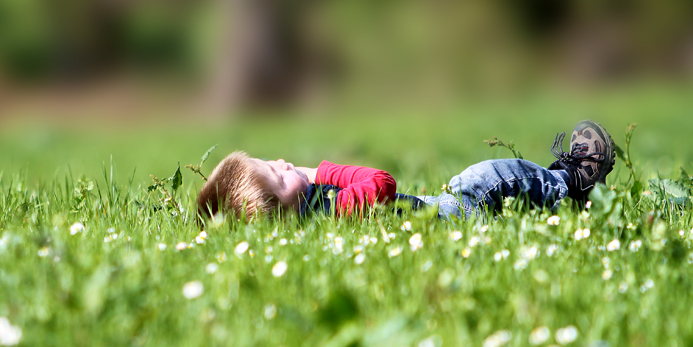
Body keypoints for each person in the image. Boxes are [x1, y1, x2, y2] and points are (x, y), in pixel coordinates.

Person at [196, 120, 616, 222]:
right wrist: (320, 169)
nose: (284, 163)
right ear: (279, 211)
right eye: (280, 176)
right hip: (452, 214)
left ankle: (551, 193)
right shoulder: (336, 210)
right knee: (485, 177)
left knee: (499, 190)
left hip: (435, 211)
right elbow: (381, 183)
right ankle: (570, 183)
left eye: (272, 162)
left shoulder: (312, 219)